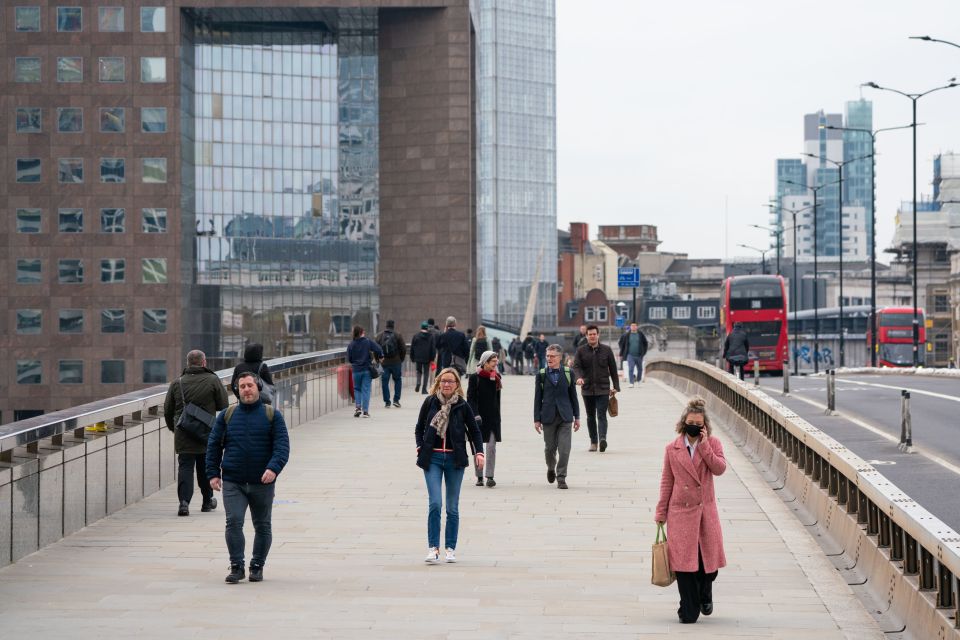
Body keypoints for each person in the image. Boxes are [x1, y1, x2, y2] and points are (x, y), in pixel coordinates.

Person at [207, 371, 290, 584]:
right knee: (233, 522)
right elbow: (214, 445)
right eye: (242, 386)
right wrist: (213, 473)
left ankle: (257, 565)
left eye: (250, 385)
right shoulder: (227, 415)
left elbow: (282, 447)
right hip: (234, 481)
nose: (246, 390)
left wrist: (273, 469)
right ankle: (237, 566)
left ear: (258, 387)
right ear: (237, 390)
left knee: (262, 525)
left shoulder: (273, 415)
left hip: (262, 481)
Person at [654, 397, 727, 624]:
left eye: (698, 423)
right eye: (690, 422)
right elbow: (667, 480)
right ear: (683, 423)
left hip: (705, 511)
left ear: (705, 426)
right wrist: (661, 513)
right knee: (684, 564)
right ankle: (688, 606)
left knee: (708, 566)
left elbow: (720, 469)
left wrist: (704, 447)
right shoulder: (672, 449)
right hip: (680, 512)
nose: (694, 426)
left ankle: (706, 592)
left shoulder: (713, 444)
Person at [415, 367, 485, 563]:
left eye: (450, 381)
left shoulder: (462, 405)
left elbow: (475, 431)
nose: (446, 384)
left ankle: (450, 548)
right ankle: (433, 547)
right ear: (438, 382)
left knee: (452, 507)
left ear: (456, 385)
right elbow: (419, 428)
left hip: (455, 460)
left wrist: (479, 452)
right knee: (435, 503)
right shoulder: (430, 402)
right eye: (443, 381)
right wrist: (420, 447)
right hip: (433, 459)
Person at [163, 349, 229, 517]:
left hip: (183, 431)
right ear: (204, 362)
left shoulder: (177, 383)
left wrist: (175, 428)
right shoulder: (213, 380)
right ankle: (207, 502)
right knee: (205, 465)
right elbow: (223, 404)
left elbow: (167, 410)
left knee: (185, 466)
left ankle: (184, 503)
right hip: (206, 431)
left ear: (188, 363)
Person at [533, 344, 580, 490]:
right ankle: (551, 468)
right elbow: (537, 398)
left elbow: (574, 396)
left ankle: (561, 477)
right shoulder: (541, 374)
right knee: (550, 449)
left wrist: (577, 416)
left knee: (565, 449)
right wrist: (536, 419)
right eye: (547, 356)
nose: (549, 358)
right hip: (547, 416)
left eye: (552, 356)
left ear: (560, 357)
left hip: (565, 416)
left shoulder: (568, 373)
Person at [572, 325, 620, 452]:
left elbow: (613, 369)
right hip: (587, 388)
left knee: (601, 415)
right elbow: (576, 367)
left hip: (603, 388)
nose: (592, 336)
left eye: (594, 334)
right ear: (586, 336)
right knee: (590, 416)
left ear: (598, 335)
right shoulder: (581, 351)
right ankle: (593, 442)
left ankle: (602, 439)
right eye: (590, 334)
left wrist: (616, 386)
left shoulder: (607, 350)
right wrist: (578, 378)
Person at [467, 351, 502, 487]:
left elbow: (497, 400)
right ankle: (480, 476)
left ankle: (490, 476)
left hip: (493, 418)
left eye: (496, 360)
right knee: (478, 447)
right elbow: (470, 398)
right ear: (485, 362)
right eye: (493, 361)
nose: (496, 363)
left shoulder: (496, 377)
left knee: (491, 447)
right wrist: (474, 414)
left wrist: (498, 417)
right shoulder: (474, 378)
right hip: (478, 418)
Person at [346, 325, 383, 418]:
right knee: (366, 390)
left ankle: (358, 407)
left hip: (356, 370)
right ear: (362, 332)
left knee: (357, 389)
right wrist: (380, 357)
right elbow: (378, 349)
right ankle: (365, 412)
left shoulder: (351, 344)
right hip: (366, 369)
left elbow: (349, 359)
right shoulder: (367, 342)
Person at [376, 319, 407, 409]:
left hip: (384, 362)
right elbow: (403, 348)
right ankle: (396, 400)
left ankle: (387, 402)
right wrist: (401, 359)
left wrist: (378, 359)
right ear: (393, 326)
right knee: (397, 380)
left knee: (384, 382)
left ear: (386, 326)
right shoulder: (398, 335)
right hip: (396, 362)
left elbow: (376, 348)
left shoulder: (380, 335)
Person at [618, 323, 649, 387]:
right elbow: (623, 345)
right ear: (630, 327)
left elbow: (645, 343)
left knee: (640, 369)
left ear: (637, 327)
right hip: (630, 355)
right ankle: (631, 383)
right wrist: (621, 354)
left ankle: (639, 381)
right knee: (630, 369)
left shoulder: (640, 334)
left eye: (635, 326)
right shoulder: (627, 335)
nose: (633, 327)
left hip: (639, 355)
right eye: (632, 326)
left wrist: (643, 352)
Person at [411, 321, 437, 394]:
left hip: (418, 357)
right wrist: (432, 358)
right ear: (427, 328)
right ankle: (424, 389)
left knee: (419, 371)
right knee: (426, 373)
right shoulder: (431, 336)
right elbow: (433, 348)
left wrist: (412, 357)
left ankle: (418, 382)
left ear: (421, 327)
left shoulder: (416, 336)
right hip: (427, 357)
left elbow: (412, 347)